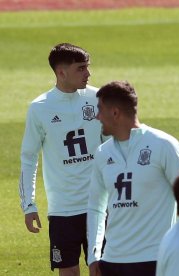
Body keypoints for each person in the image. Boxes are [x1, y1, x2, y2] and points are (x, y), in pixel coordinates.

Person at [87, 80, 179, 276]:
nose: (97, 116)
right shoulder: (102, 153)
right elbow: (95, 207)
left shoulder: (164, 145)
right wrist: (94, 255)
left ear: (115, 113)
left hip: (155, 260)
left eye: (100, 110)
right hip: (111, 262)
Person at [18, 43, 103, 275]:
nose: (88, 73)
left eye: (87, 67)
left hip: (99, 205)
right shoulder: (40, 108)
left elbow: (116, 145)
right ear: (61, 72)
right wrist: (28, 205)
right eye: (81, 68)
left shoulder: (98, 98)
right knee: (68, 272)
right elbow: (28, 157)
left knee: (103, 270)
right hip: (63, 209)